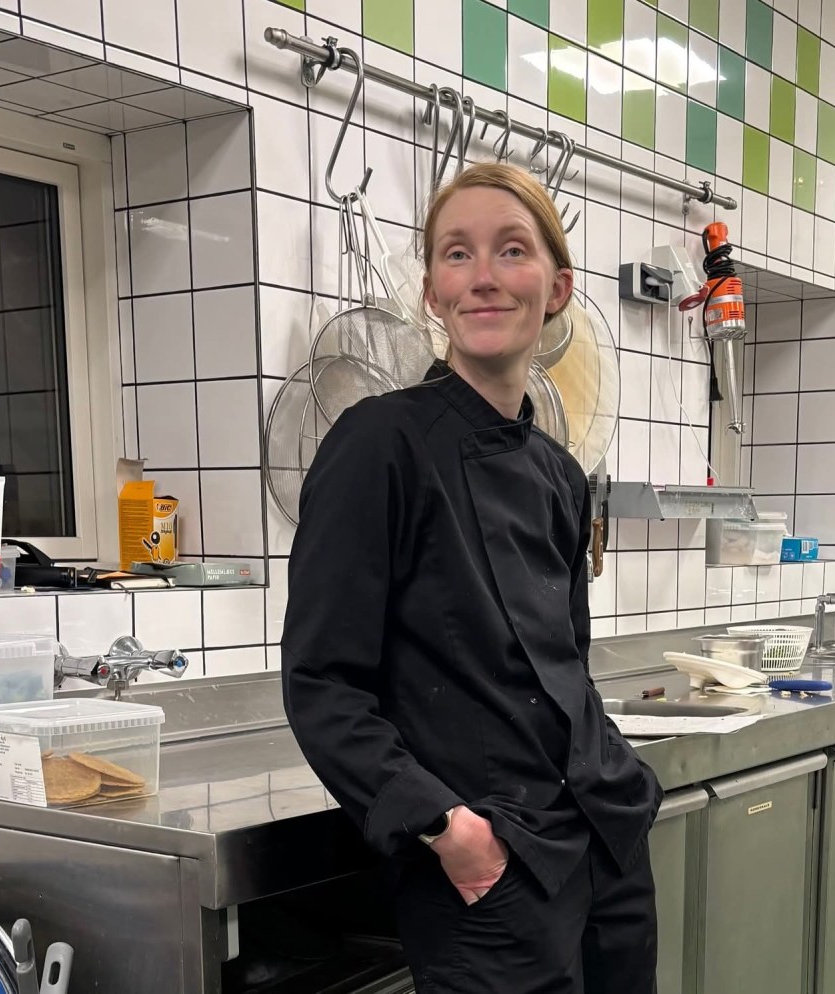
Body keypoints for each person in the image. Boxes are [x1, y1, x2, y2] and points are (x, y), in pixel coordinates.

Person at [282, 162, 663, 993]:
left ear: (557, 288)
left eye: (511, 250)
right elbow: (322, 684)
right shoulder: (378, 444)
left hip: (603, 840)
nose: (484, 276)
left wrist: (622, 780)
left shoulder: (560, 474)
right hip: (492, 870)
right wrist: (447, 829)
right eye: (457, 254)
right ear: (433, 292)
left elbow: (567, 667)